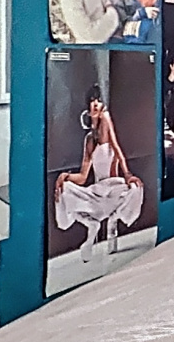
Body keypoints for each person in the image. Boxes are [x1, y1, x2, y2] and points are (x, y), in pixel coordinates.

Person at [53, 84, 145, 267]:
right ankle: (91, 227)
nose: (95, 104)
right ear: (87, 107)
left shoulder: (106, 120)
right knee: (65, 191)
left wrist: (128, 175)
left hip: (114, 188)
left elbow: (117, 150)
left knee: (136, 189)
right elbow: (83, 176)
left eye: (99, 100)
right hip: (97, 192)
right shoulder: (88, 140)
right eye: (92, 101)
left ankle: (114, 218)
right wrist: (64, 177)